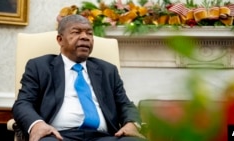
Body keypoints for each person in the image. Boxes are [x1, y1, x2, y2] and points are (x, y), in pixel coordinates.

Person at [12, 14, 146, 141]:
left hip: (104, 136)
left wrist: (131, 124)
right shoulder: (40, 66)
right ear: (60, 40)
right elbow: (23, 103)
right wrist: (37, 124)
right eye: (76, 32)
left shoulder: (108, 70)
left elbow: (125, 104)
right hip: (58, 136)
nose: (85, 37)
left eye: (89, 33)